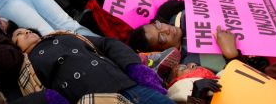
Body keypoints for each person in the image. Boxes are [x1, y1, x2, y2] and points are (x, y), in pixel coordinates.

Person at [13, 29, 173, 103]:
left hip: (127, 85)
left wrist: (134, 67)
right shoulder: (27, 69)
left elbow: (107, 43)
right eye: (18, 36)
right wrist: (51, 99)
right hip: (96, 100)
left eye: (26, 30)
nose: (25, 33)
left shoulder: (64, 35)